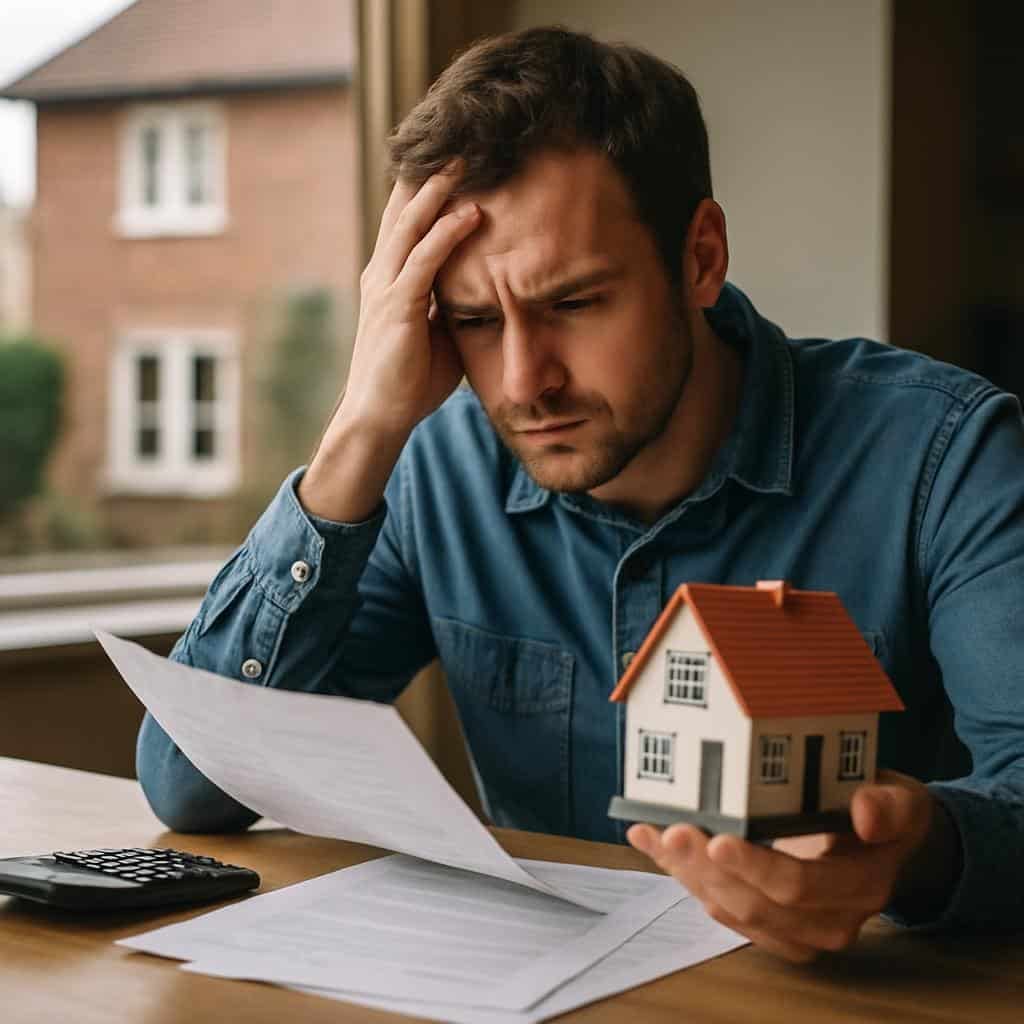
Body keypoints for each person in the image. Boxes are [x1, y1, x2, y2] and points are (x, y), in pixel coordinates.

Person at [136, 26, 1024, 962]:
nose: (524, 382)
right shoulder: (435, 471)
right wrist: (361, 427)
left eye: (573, 303)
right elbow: (192, 790)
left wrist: (910, 855)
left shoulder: (942, 456)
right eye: (475, 320)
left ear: (700, 258)